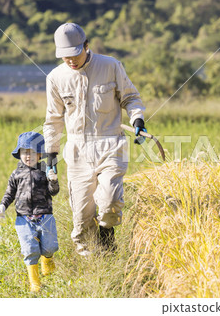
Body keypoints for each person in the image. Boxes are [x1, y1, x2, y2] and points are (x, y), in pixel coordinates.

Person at [43, 23, 147, 256]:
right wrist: (51, 155)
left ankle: (107, 238)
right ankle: (93, 263)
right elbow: (53, 120)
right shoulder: (56, 78)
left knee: (110, 200)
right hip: (78, 150)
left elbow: (131, 98)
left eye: (75, 54)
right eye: (65, 56)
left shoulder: (110, 66)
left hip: (110, 145)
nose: (71, 60)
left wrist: (137, 119)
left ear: (86, 46)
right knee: (81, 218)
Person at [0, 131, 59, 292]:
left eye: (31, 152)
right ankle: (35, 283)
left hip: (45, 215)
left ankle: (48, 261)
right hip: (24, 219)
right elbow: (9, 193)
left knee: (50, 247)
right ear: (20, 154)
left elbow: (54, 192)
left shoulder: (45, 170)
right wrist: (3, 205)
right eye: (24, 152)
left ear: (39, 155)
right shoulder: (16, 174)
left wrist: (53, 181)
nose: (27, 156)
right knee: (30, 249)